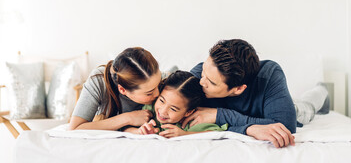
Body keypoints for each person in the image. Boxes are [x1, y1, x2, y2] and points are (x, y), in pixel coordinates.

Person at [183, 39, 329, 148]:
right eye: (203, 72)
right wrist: (251, 128)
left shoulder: (269, 75)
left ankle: (322, 90)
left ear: (238, 89)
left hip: (279, 110)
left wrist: (218, 115)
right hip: (263, 114)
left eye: (212, 83)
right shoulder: (200, 76)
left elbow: (285, 126)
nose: (202, 82)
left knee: (306, 107)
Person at [69, 47, 161, 131]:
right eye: (149, 93)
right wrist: (128, 118)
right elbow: (75, 128)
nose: (158, 93)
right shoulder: (99, 81)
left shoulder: (157, 79)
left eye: (158, 84)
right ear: (122, 90)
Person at [126, 71, 227, 137]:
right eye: (162, 100)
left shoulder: (192, 122)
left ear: (188, 112)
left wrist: (185, 134)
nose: (163, 111)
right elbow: (125, 130)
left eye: (173, 109)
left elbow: (217, 134)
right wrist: (140, 132)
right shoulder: (150, 109)